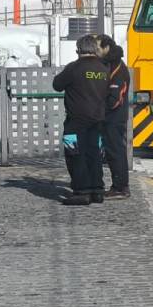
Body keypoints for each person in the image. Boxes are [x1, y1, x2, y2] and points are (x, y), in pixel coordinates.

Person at [53, 34, 108, 205]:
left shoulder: (74, 68)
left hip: (76, 120)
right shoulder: (103, 69)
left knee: (75, 154)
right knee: (94, 154)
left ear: (78, 50)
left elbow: (57, 85)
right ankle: (97, 190)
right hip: (98, 119)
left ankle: (82, 191)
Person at [99, 35, 131, 200]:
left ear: (106, 48)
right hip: (111, 116)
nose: (96, 52)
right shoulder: (111, 64)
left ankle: (120, 186)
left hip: (114, 117)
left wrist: (101, 109)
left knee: (115, 151)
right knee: (113, 151)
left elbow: (115, 97)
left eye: (98, 48)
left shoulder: (118, 68)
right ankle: (119, 185)